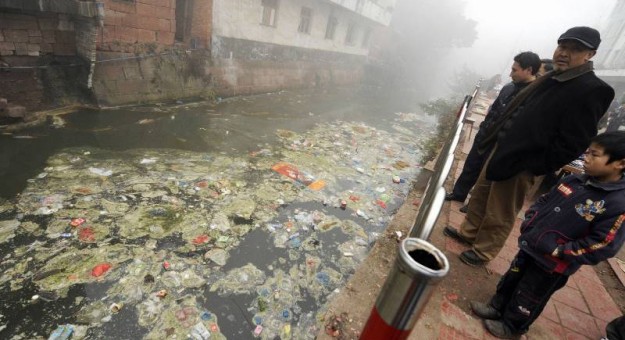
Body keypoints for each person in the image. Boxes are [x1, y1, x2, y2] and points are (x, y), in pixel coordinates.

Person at [444, 26, 615, 267]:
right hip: (502, 148)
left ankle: (483, 251)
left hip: (524, 161)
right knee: (482, 195)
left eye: (575, 49)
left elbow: (576, 141)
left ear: (590, 55)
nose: (564, 53)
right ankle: (468, 233)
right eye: (562, 46)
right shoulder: (551, 77)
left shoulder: (591, 89)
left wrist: (535, 166)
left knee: (500, 210)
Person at [469, 131, 625, 339]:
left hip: (554, 263)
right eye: (587, 152)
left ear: (619, 163)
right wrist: (530, 221)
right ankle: (497, 307)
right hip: (531, 246)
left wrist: (561, 251)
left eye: (594, 155)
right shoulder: (573, 180)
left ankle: (513, 326)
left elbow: (603, 244)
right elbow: (544, 200)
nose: (586, 158)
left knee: (530, 294)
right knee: (512, 278)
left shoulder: (616, 203)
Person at [445, 52, 541, 209]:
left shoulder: (534, 95)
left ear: (529, 70)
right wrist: (484, 129)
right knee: (471, 165)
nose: (510, 74)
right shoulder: (509, 88)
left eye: (515, 70)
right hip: (486, 134)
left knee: (486, 174)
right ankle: (458, 193)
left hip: (501, 142)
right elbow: (494, 110)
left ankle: (473, 205)